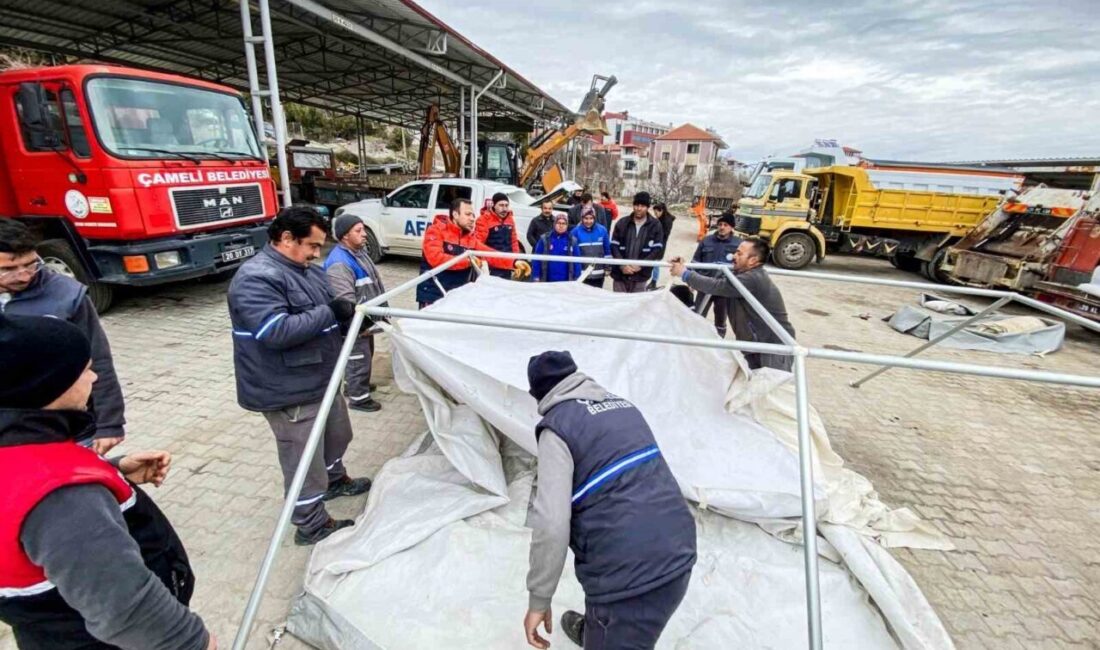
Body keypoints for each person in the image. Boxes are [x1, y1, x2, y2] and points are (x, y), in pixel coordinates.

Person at [0, 313, 215, 650]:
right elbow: (126, 608)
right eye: (85, 370)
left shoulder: (20, 451)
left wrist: (114, 471)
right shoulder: (62, 496)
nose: (95, 377)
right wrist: (191, 642)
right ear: (49, 384)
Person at [522, 351, 696, 650]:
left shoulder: (557, 429)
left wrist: (539, 600)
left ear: (538, 394)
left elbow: (551, 524)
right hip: (679, 550)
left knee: (622, 629)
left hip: (632, 585)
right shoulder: (625, 407)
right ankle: (602, 631)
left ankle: (609, 632)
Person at [227, 206, 371, 546]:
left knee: (337, 435)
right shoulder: (255, 278)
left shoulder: (305, 269)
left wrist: (351, 321)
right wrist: (330, 313)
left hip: (319, 379)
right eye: (312, 246)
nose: (316, 254)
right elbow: (274, 331)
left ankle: (335, 480)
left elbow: (331, 308)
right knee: (303, 458)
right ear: (286, 238)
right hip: (287, 389)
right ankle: (310, 522)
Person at [0, 218, 125, 454]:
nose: (24, 276)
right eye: (8, 269)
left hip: (68, 429)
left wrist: (110, 423)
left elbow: (97, 357)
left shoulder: (66, 295)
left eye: (30, 264)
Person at [670, 238, 796, 371]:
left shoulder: (753, 278)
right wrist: (687, 266)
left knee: (766, 388)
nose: (733, 256)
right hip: (754, 346)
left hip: (772, 349)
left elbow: (717, 286)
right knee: (751, 385)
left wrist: (684, 273)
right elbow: (715, 272)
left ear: (753, 260)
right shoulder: (742, 273)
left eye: (739, 254)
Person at [324, 215, 386, 413]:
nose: (364, 234)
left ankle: (357, 385)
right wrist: (359, 325)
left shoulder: (357, 252)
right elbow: (345, 302)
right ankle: (358, 398)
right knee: (357, 358)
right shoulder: (339, 264)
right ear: (344, 236)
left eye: (363, 229)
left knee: (365, 355)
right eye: (358, 231)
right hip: (355, 324)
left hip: (365, 322)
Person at [417, 198, 510, 307]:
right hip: (433, 294)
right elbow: (436, 258)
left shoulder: (469, 238)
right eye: (468, 214)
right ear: (455, 214)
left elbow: (489, 254)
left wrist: (514, 262)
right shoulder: (435, 231)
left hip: (456, 294)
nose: (472, 219)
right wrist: (468, 261)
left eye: (473, 215)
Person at [689, 212, 742, 338]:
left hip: (723, 289)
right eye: (720, 224)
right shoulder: (706, 241)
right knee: (698, 315)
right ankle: (694, 340)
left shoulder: (738, 244)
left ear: (731, 227)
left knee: (720, 318)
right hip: (704, 285)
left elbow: (741, 267)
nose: (722, 227)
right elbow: (695, 261)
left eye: (726, 225)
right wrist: (691, 281)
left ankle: (718, 341)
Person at [610, 192, 664, 293]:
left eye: (642, 206)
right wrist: (622, 265)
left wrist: (640, 265)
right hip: (620, 275)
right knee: (618, 306)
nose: (639, 208)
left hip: (641, 276)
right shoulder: (622, 223)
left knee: (637, 307)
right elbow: (614, 246)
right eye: (636, 205)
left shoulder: (655, 225)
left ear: (648, 207)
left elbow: (657, 250)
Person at [474, 192, 528, 279]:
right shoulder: (484, 220)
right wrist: (483, 262)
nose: (504, 208)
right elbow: (478, 244)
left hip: (508, 263)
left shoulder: (510, 219)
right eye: (501, 205)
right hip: (491, 264)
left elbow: (514, 241)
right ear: (494, 205)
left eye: (506, 205)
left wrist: (517, 259)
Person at [532, 214, 582, 283]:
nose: (561, 226)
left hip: (566, 282)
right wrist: (536, 277)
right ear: (554, 224)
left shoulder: (572, 240)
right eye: (559, 223)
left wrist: (577, 278)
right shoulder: (544, 239)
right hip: (547, 281)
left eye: (564, 223)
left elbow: (577, 261)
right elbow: (536, 259)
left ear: (567, 225)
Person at [571, 206, 612, 289]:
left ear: (595, 218)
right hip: (582, 273)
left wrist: (608, 267)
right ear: (582, 218)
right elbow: (572, 253)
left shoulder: (602, 230)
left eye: (591, 218)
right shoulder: (575, 231)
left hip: (599, 273)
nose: (588, 221)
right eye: (586, 218)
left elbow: (607, 250)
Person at [647, 202, 676, 290]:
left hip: (660, 245)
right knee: (654, 262)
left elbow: (664, 235)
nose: (655, 215)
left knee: (656, 263)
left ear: (662, 211)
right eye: (654, 213)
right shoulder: (661, 219)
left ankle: (654, 281)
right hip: (656, 243)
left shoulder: (667, 221)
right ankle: (653, 280)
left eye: (656, 213)